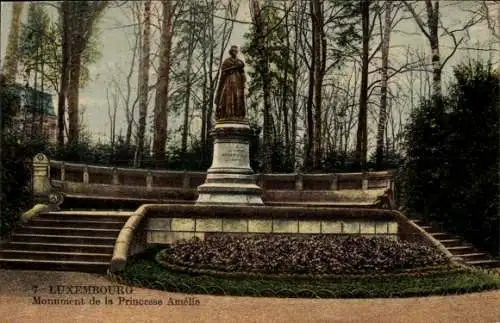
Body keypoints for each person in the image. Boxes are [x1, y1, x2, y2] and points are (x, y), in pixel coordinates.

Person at [215, 45, 246, 120]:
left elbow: (242, 73)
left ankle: (238, 114)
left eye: (236, 51)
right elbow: (223, 72)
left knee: (237, 97)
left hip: (238, 83)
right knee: (228, 97)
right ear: (230, 52)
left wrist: (243, 80)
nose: (235, 52)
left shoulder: (239, 62)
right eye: (233, 51)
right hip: (228, 82)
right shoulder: (227, 61)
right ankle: (228, 114)